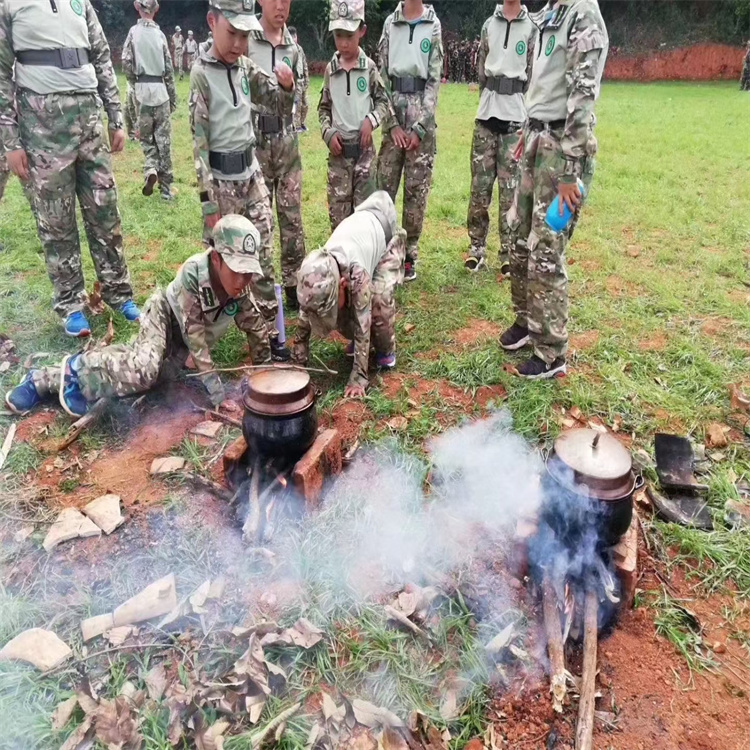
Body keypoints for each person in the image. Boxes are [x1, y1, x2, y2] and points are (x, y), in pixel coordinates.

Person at [5, 216, 270, 418]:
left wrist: (266, 377)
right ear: (216, 259)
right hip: (164, 316)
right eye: (236, 269)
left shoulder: (240, 287)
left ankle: (80, 377)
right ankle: (49, 377)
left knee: (152, 379)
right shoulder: (194, 274)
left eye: (248, 272)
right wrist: (217, 393)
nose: (243, 279)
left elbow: (255, 327)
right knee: (143, 371)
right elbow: (196, 337)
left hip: (180, 340)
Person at [0, 0, 140, 338]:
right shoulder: (9, 5)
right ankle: (70, 302)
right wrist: (11, 141)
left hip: (89, 120)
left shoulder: (80, 4)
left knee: (105, 210)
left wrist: (115, 116)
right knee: (56, 220)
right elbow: (2, 74)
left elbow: (103, 56)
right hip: (42, 127)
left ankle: (118, 292)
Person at [502, 0, 608, 379]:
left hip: (562, 150)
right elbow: (541, 81)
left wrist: (568, 169)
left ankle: (550, 352)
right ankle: (526, 323)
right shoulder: (551, 12)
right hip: (536, 139)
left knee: (546, 248)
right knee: (517, 236)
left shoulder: (583, 14)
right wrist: (526, 130)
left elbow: (582, 95)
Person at [189, 0, 295, 362]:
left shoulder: (246, 68)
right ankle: (202, 336)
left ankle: (268, 335)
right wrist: (209, 206)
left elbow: (278, 103)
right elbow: (199, 147)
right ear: (211, 22)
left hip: (251, 177)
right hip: (221, 183)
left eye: (245, 35)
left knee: (262, 255)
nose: (238, 43)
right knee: (224, 265)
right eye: (231, 33)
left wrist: (287, 86)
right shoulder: (201, 75)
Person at [293, 191, 405, 398]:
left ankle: (386, 352)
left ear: (342, 284)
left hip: (386, 240)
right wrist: (299, 364)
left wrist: (358, 378)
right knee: (344, 310)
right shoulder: (315, 274)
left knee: (378, 303)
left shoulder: (357, 275)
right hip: (360, 230)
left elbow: (363, 324)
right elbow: (306, 313)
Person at [376, 0, 443, 282]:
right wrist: (391, 124)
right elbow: (379, 75)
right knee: (384, 186)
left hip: (420, 114)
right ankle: (383, 250)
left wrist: (420, 128)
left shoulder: (433, 25)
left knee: (416, 190)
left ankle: (409, 255)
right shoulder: (390, 23)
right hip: (393, 106)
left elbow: (434, 79)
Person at [465, 1, 535, 275]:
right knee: (479, 188)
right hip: (486, 115)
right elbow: (482, 71)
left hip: (515, 118)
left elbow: (532, 74)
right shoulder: (488, 25)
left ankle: (507, 251)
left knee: (511, 190)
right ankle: (476, 249)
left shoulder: (532, 29)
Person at [247, 0, 307, 311]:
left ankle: (294, 284)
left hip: (286, 142)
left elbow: (299, 94)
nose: (280, 6)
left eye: (286, 1)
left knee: (291, 217)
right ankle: (258, 286)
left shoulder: (293, 48)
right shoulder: (246, 37)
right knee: (258, 218)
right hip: (254, 140)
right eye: (274, 0)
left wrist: (291, 88)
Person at [318, 0, 389, 232]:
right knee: (339, 221)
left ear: (362, 30)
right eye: (339, 35)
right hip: (338, 158)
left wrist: (371, 120)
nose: (344, 42)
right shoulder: (331, 70)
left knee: (365, 219)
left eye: (349, 35)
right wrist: (327, 133)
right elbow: (323, 108)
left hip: (364, 157)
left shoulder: (368, 68)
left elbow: (383, 102)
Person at [122, 0, 177, 201]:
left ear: (138, 7)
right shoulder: (160, 35)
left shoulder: (133, 33)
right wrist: (172, 97)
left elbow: (126, 62)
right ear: (157, 9)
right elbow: (169, 69)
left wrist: (134, 82)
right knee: (164, 141)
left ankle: (151, 168)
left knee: (146, 138)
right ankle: (166, 190)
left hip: (142, 91)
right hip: (161, 90)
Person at [288, 26, 308, 132]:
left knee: (305, 103)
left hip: (302, 80)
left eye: (295, 36)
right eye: (291, 37)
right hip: (294, 81)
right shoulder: (288, 50)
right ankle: (296, 125)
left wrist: (306, 79)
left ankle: (302, 122)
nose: (294, 39)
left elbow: (304, 65)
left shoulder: (300, 49)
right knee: (297, 103)